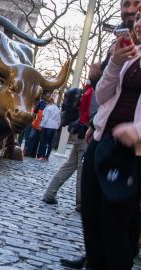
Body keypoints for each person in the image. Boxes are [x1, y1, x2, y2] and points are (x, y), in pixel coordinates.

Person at [81, 9, 141, 269]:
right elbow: (102, 96)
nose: (139, 23)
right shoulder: (128, 55)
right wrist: (115, 63)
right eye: (139, 19)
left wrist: (137, 132)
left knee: (114, 225)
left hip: (132, 153)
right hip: (101, 142)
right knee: (91, 218)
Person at [42, 63, 102, 208]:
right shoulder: (94, 92)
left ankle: (49, 194)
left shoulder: (87, 91)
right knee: (82, 171)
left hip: (79, 133)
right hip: (86, 134)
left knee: (69, 166)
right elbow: (94, 115)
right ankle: (81, 203)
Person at [36, 96, 61, 161]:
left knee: (44, 141)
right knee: (50, 143)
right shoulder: (57, 109)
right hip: (54, 127)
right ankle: (47, 157)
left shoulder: (47, 108)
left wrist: (41, 126)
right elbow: (59, 119)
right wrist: (57, 126)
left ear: (48, 102)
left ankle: (42, 156)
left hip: (47, 126)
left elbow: (45, 118)